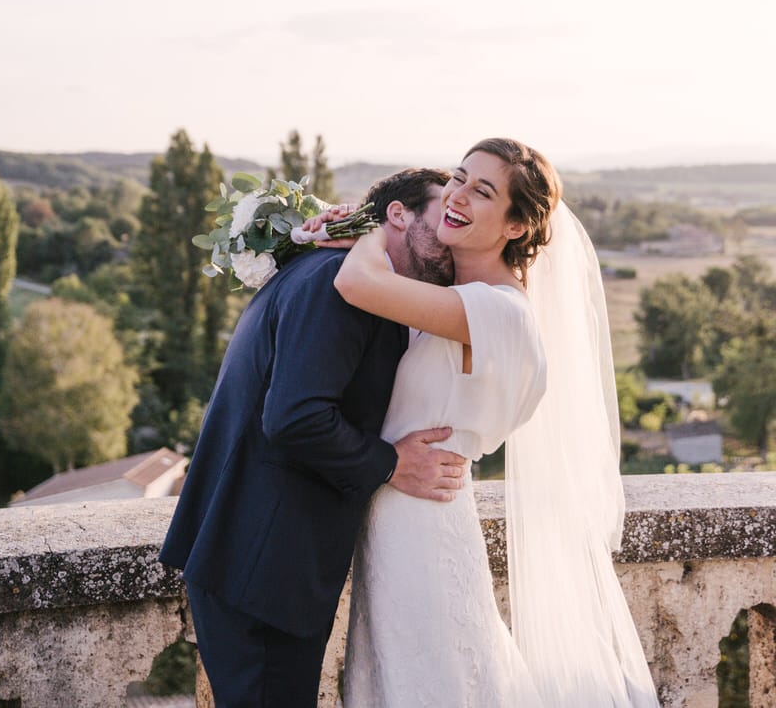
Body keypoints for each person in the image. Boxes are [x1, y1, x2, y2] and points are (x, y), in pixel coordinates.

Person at [325, 137, 660, 708]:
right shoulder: (450, 295)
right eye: (458, 178)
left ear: (515, 226)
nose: (457, 196)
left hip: (422, 522)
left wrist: (371, 228)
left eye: (483, 191)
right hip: (399, 514)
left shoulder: (498, 311)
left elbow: (356, 284)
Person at [159, 167, 466, 708]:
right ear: (398, 215)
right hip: (263, 565)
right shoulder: (335, 284)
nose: (453, 233)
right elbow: (295, 417)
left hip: (257, 556)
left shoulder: (347, 277)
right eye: (444, 213)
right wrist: (392, 463)